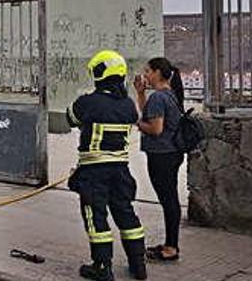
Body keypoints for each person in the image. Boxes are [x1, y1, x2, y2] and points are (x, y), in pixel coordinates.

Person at [67, 50, 147, 281]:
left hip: (94, 173)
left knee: (96, 217)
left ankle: (102, 267)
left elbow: (70, 118)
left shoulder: (87, 102)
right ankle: (138, 264)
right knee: (126, 213)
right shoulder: (129, 106)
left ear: (100, 73)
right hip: (121, 170)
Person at [134, 57, 185, 262]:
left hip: (162, 155)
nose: (145, 75)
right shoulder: (168, 95)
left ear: (157, 72)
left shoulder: (158, 98)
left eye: (148, 71)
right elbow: (151, 115)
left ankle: (171, 247)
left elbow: (155, 128)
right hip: (171, 153)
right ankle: (170, 244)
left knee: (169, 200)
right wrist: (140, 93)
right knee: (170, 199)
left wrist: (136, 122)